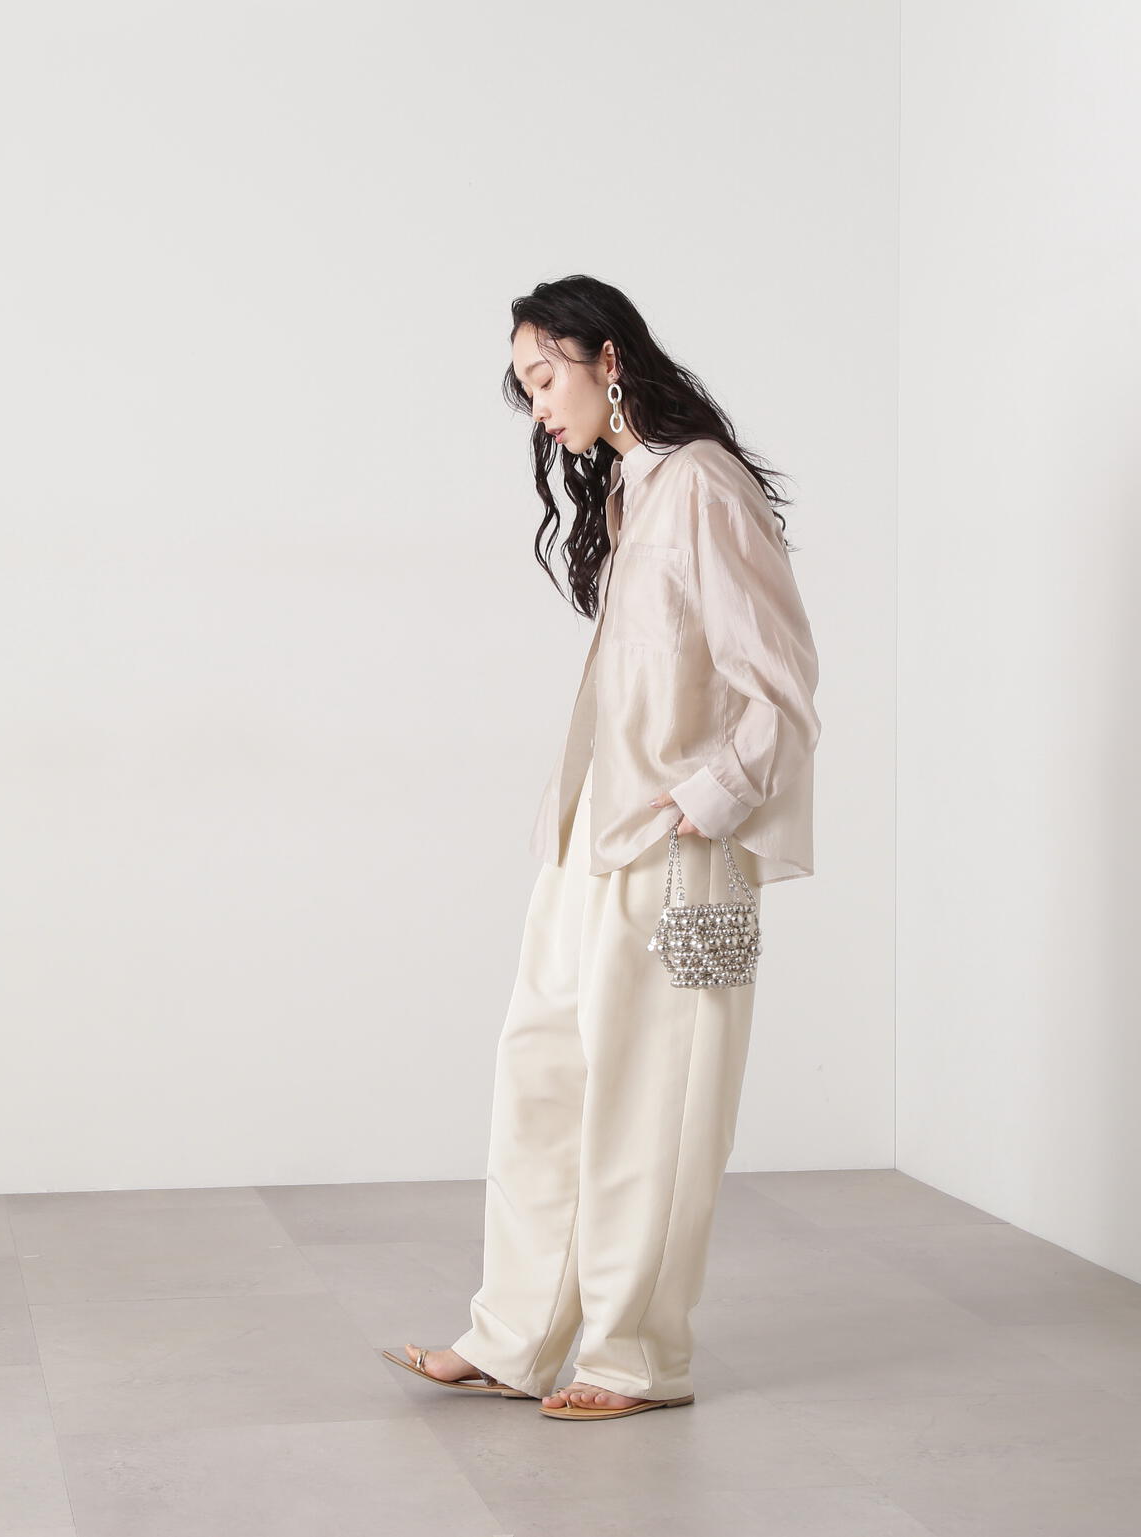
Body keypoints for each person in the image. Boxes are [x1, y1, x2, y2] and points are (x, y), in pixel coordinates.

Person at [382, 274, 822, 1422]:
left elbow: (780, 681)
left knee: (651, 1105)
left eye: (543, 378)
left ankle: (633, 1357)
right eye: (524, 387)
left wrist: (709, 798)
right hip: (585, 841)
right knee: (540, 1079)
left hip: (675, 850)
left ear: (606, 358)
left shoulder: (703, 486)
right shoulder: (635, 492)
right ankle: (516, 1336)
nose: (536, 408)